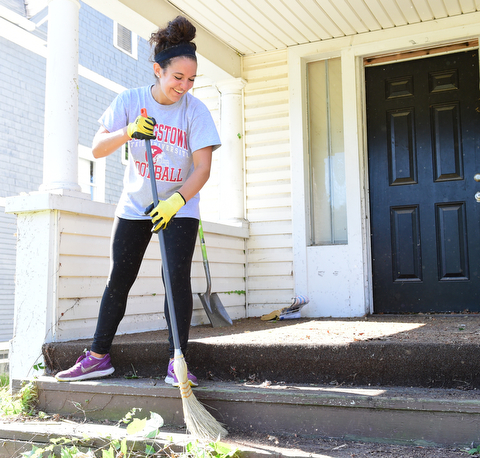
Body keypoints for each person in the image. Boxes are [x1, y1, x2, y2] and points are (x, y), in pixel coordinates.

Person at [55, 16, 221, 387]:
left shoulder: (196, 111)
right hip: (134, 207)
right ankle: (98, 357)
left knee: (176, 279)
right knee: (119, 279)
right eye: (178, 77)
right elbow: (97, 148)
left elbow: (202, 169)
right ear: (158, 70)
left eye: (191, 79)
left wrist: (174, 201)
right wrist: (128, 130)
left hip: (179, 207)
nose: (184, 86)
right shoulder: (130, 100)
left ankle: (177, 361)